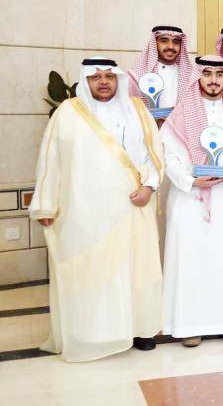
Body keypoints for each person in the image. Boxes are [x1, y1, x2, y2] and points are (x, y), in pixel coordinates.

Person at [30, 57, 163, 361]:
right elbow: (51, 160)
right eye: (96, 77)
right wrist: (46, 205)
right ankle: (94, 333)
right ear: (86, 81)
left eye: (109, 76)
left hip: (132, 206)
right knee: (93, 271)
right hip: (85, 211)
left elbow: (154, 153)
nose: (103, 82)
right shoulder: (68, 113)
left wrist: (149, 187)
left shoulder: (137, 110)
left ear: (118, 79)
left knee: (135, 270)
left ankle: (139, 329)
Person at [161, 55, 223, 347]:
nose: (213, 80)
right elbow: (168, 155)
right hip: (191, 199)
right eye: (208, 73)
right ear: (198, 76)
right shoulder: (181, 114)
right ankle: (190, 325)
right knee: (192, 260)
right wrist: (190, 181)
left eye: (219, 75)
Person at [128, 25, 193, 119]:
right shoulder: (137, 75)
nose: (171, 46)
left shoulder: (190, 76)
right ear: (155, 44)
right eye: (164, 41)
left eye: (176, 42)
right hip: (147, 126)